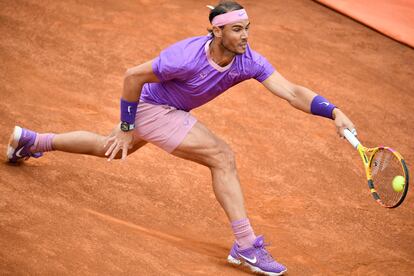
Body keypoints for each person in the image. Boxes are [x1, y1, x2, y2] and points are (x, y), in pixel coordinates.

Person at [6, 1, 356, 275]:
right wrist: (128, 126)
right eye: (237, 30)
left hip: (167, 111)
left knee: (105, 148)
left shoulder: (247, 59)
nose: (246, 36)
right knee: (222, 156)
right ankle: (246, 245)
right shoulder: (184, 57)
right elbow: (132, 77)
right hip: (152, 108)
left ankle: (32, 140)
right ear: (218, 33)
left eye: (247, 28)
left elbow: (292, 92)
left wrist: (334, 111)